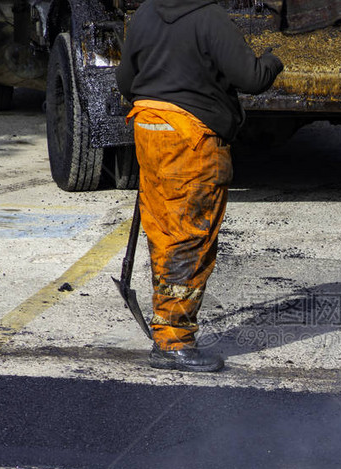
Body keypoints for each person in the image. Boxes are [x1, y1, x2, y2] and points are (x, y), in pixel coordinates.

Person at [115, 0, 283, 372]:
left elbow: (125, 81)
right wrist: (274, 58)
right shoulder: (210, 19)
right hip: (191, 140)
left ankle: (167, 323)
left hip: (149, 129)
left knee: (162, 230)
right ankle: (173, 341)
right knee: (190, 237)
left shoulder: (144, 13)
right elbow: (253, 78)